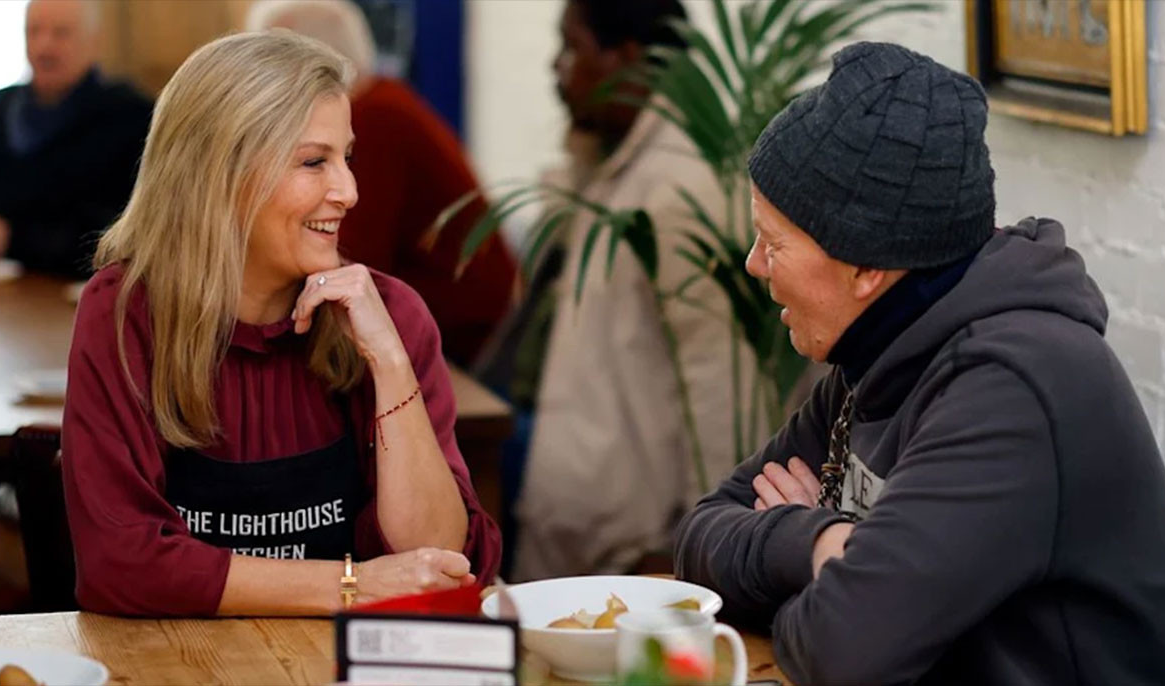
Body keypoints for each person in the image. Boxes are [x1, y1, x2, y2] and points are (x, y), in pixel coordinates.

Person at [674, 42, 1165, 684]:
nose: (754, 265)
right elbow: (698, 543)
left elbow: (841, 653)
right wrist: (816, 542)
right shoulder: (878, 348)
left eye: (773, 243)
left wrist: (810, 561)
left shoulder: (1015, 390)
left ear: (866, 266)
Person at [61, 30, 500, 616]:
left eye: (347, 158)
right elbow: (119, 562)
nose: (349, 191)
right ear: (217, 174)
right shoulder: (125, 313)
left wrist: (391, 364)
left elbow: (438, 563)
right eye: (314, 162)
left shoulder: (390, 315)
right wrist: (353, 584)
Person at [511, 0, 765, 580]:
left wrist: (697, 534)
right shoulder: (617, 158)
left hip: (637, 548)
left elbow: (721, 383)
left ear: (627, 59)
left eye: (572, 47)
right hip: (587, 527)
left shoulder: (682, 181)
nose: (556, 66)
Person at [245, 0, 516, 367]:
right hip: (450, 330)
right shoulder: (380, 102)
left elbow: (348, 256)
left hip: (465, 346)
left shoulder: (370, 118)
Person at [0, 0, 151, 277]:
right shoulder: (0, 109)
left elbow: (126, 233)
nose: (44, 47)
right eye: (33, 31)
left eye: (60, 33)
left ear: (94, 41)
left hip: (82, 288)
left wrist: (13, 239)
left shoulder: (129, 117)